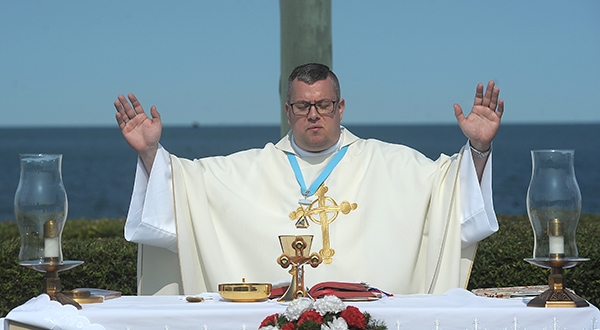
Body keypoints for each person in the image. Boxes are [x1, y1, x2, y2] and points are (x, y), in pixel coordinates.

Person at [114, 63, 504, 296]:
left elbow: (454, 194)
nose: (314, 114)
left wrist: (478, 150)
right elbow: (182, 188)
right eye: (303, 105)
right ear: (289, 110)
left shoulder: (392, 164)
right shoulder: (248, 169)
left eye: (324, 104)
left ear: (341, 107)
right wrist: (150, 153)